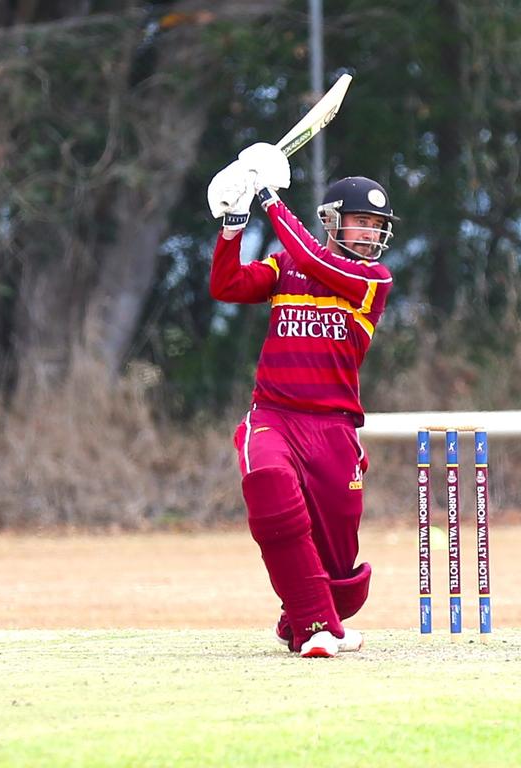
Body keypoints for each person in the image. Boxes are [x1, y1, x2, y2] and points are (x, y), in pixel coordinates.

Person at [206, 142, 397, 657]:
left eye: (377, 226)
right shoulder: (287, 265)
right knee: (268, 484)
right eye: (360, 222)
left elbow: (315, 260)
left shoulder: (371, 281)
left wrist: (266, 195)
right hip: (275, 415)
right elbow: (226, 286)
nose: (371, 234)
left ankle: (304, 614)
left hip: (333, 430)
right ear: (332, 222)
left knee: (342, 574)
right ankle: (314, 626)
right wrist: (233, 223)